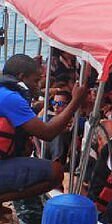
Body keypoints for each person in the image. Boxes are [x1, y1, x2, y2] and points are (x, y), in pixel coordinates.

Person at [0, 54, 87, 205]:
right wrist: (75, 101)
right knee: (56, 172)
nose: (38, 84)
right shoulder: (10, 98)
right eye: (35, 80)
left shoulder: (4, 92)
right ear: (22, 77)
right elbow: (48, 133)